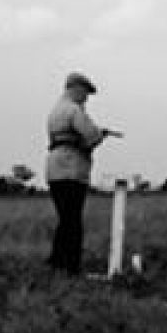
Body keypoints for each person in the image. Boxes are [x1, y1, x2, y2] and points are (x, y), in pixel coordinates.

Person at [44, 72, 121, 274]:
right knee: (73, 221)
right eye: (85, 92)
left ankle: (56, 262)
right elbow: (91, 136)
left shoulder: (55, 111)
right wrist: (101, 134)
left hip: (54, 169)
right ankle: (71, 266)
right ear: (76, 88)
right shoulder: (74, 110)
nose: (86, 98)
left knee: (65, 219)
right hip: (72, 169)